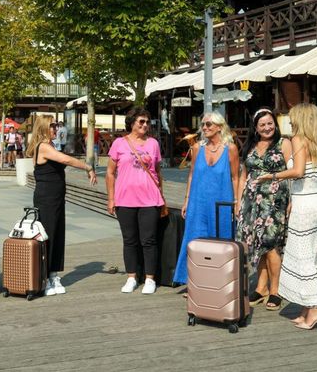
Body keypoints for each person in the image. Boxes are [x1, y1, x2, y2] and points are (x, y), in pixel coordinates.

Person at [257, 103, 317, 330]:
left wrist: (272, 176)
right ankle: (306, 309)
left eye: (293, 116)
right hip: (316, 201)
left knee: (303, 256)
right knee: (306, 254)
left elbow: (297, 172)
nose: (290, 120)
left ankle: (316, 308)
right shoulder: (316, 142)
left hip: (306, 205)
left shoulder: (298, 140)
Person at [26, 115, 97, 296]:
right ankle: (45, 277)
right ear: (43, 127)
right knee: (48, 235)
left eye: (57, 125)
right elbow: (66, 160)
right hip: (46, 198)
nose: (56, 128)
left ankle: (53, 274)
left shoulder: (49, 145)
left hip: (56, 198)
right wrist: (88, 167)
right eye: (53, 125)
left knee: (57, 234)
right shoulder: (42, 147)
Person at [173, 112, 240, 287]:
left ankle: (221, 282)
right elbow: (191, 174)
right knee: (195, 240)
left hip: (222, 203)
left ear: (219, 126)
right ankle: (194, 283)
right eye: (203, 124)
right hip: (198, 202)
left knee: (221, 240)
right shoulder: (197, 148)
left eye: (209, 124)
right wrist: (187, 200)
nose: (204, 128)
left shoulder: (230, 148)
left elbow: (235, 177)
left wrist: (237, 202)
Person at [236, 108, 292, 311]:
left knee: (270, 244)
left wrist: (291, 200)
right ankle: (261, 288)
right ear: (256, 128)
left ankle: (275, 290)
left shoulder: (283, 143)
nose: (267, 128)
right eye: (263, 125)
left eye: (270, 123)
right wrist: (238, 202)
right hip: (251, 201)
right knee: (255, 243)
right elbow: (243, 175)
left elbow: (292, 171)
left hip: (275, 200)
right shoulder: (250, 145)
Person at [106, 107, 164, 295]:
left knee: (149, 240)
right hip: (125, 199)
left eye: (147, 122)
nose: (145, 125)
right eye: (141, 121)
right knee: (129, 240)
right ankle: (131, 277)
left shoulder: (153, 143)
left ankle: (149, 278)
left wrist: (161, 196)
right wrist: (111, 198)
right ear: (132, 122)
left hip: (149, 198)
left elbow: (157, 171)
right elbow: (110, 172)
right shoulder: (119, 144)